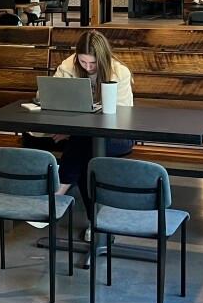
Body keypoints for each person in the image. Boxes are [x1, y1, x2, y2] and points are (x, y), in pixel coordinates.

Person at [23, 30, 133, 200]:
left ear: (103, 58)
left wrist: (71, 132)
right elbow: (45, 95)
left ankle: (57, 193)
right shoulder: (69, 66)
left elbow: (122, 117)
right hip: (76, 135)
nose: (88, 67)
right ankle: (93, 220)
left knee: (83, 141)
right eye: (83, 61)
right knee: (83, 147)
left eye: (93, 63)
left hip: (115, 136)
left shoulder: (119, 73)